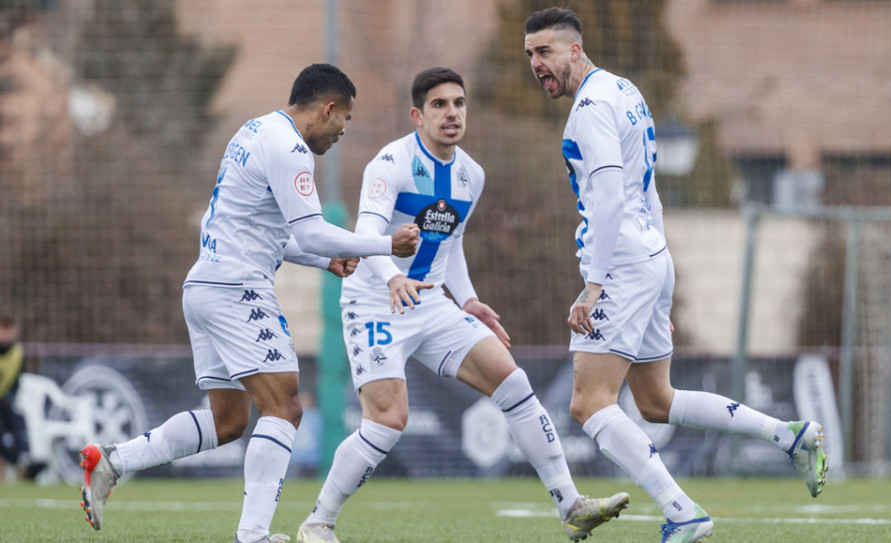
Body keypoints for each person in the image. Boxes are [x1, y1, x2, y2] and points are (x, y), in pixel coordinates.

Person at [78, 63, 420, 543]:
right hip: (237, 289)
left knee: (229, 420)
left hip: (204, 286)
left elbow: (270, 233)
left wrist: (325, 264)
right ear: (327, 109)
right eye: (345, 118)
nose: (344, 129)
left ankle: (114, 460)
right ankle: (254, 536)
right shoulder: (291, 149)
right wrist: (387, 245)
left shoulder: (255, 129)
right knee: (285, 406)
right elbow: (312, 230)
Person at [523, 8, 828, 543]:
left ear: (575, 49)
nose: (536, 64)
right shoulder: (626, 90)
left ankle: (683, 512)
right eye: (529, 55)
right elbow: (651, 190)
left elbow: (613, 194)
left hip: (621, 264)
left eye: (544, 52)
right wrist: (661, 278)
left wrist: (595, 285)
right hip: (647, 258)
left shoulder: (589, 109)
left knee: (588, 402)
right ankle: (789, 435)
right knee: (655, 401)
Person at [295, 67, 630, 543]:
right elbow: (367, 236)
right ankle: (319, 521)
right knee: (388, 421)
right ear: (417, 115)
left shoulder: (471, 175)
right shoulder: (390, 163)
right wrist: (392, 278)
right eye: (439, 105)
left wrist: (468, 299)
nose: (452, 113)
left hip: (431, 304)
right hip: (375, 300)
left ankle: (570, 505)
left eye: (459, 103)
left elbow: (451, 243)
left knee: (513, 382)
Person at [0, 315, 44, 481]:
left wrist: (10, 398)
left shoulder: (17, 352)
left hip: (5, 400)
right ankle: (19, 463)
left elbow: (17, 381)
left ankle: (24, 458)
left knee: (18, 420)